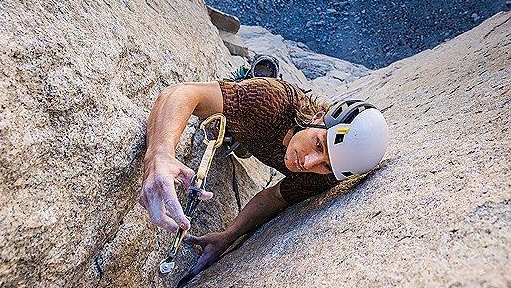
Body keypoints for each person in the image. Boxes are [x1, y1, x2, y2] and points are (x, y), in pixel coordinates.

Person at [139, 75, 388, 275]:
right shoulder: (271, 102)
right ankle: (250, 78)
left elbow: (276, 198)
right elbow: (181, 92)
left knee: (235, 135)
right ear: (319, 118)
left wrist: (229, 236)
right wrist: (159, 155)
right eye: (319, 145)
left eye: (325, 165)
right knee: (237, 99)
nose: (308, 163)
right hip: (254, 110)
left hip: (249, 136)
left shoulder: (323, 175)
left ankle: (234, 131)